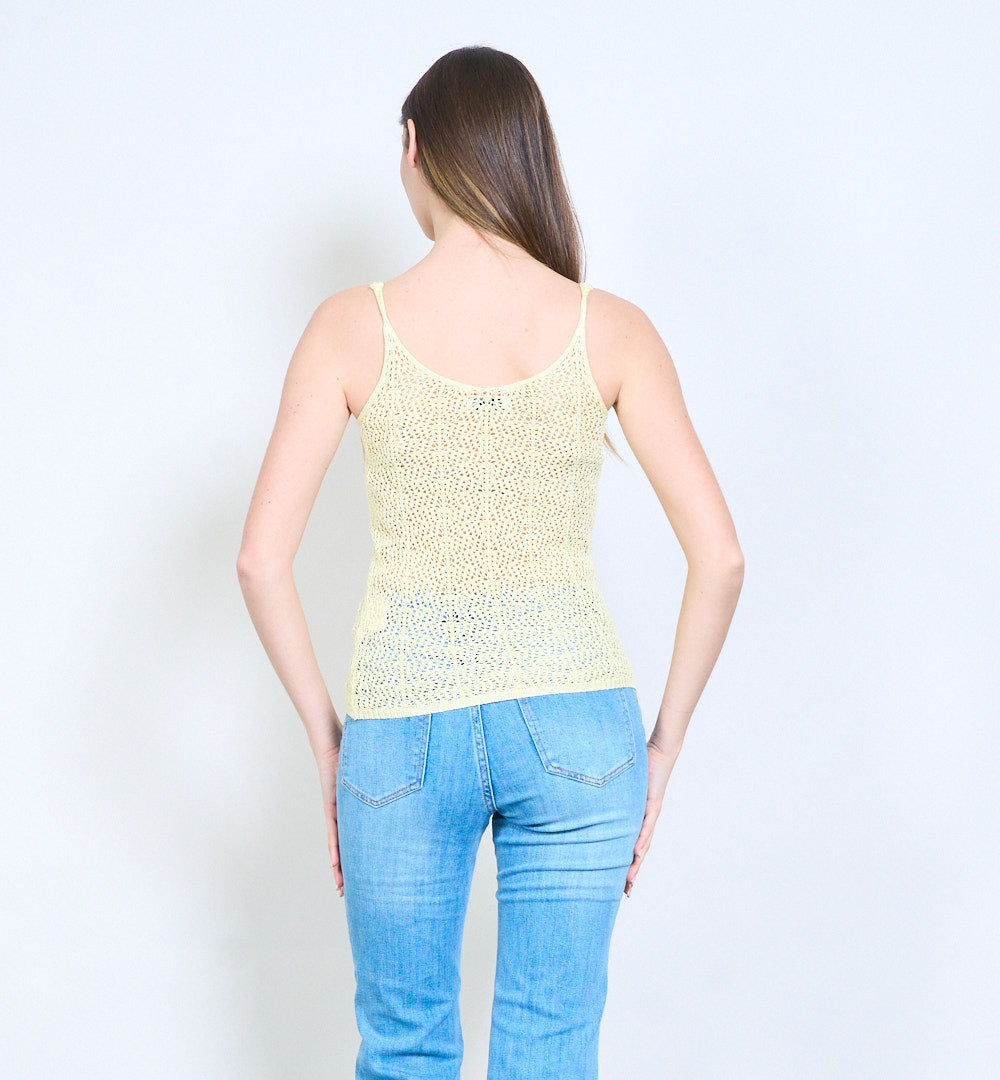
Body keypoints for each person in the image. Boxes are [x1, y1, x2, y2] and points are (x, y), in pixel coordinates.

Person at [237, 44, 744, 1080]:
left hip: (401, 728)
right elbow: (722, 558)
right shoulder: (611, 329)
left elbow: (259, 561)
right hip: (581, 726)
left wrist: (329, 745)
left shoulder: (352, 327)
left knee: (405, 1048)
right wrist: (663, 748)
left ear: (414, 148)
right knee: (551, 1052)